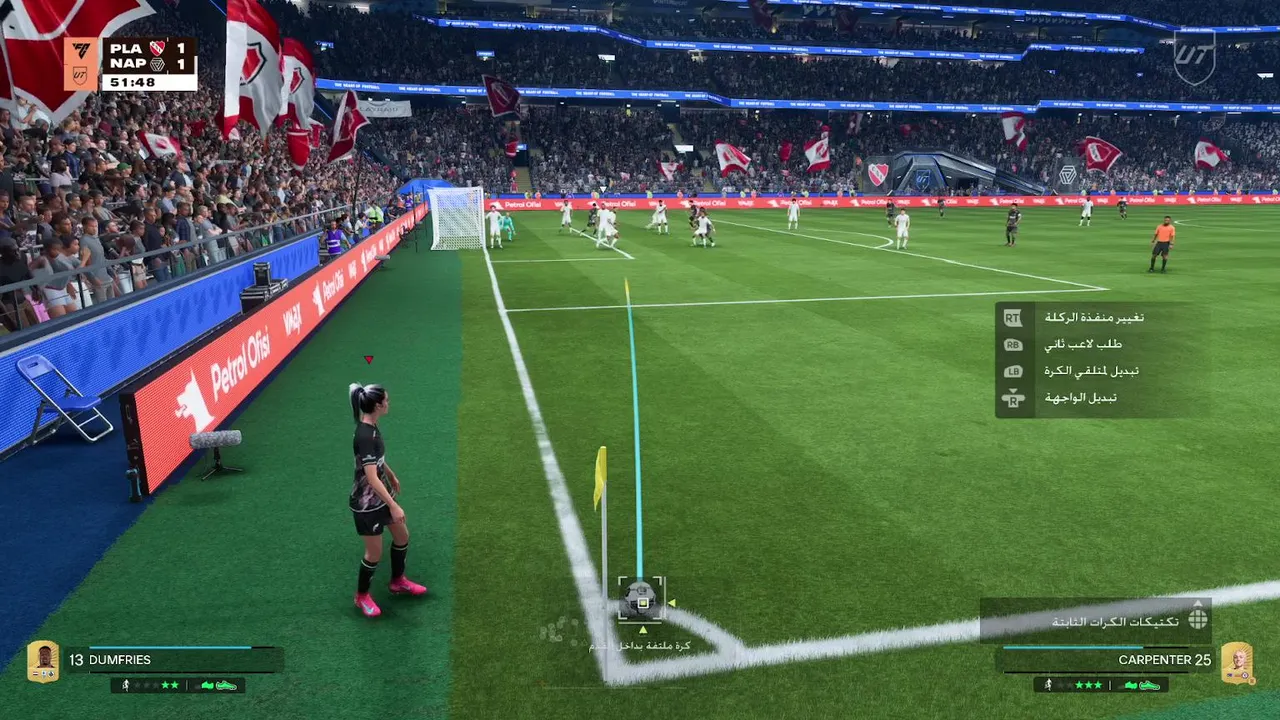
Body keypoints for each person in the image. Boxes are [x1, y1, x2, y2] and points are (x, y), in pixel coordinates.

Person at [349, 383, 428, 618]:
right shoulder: (365, 435)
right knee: (374, 554)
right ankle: (361, 596)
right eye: (386, 400)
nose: (388, 403)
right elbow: (371, 477)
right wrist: (393, 505)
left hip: (381, 494)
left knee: (402, 536)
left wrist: (391, 475)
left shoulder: (372, 426)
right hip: (366, 504)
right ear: (377, 405)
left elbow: (377, 461)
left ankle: (398, 581)